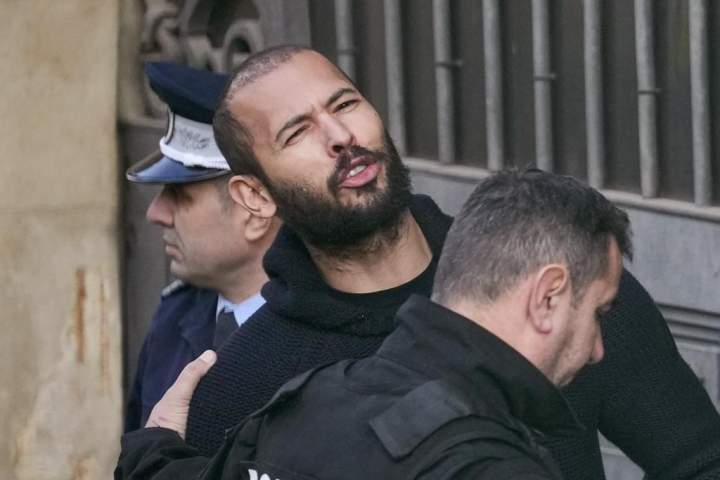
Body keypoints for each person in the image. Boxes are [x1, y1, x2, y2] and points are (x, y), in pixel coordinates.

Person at [136, 46, 720, 479]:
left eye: (345, 103)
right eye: (297, 133)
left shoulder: (553, 281)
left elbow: (699, 460)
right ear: (255, 196)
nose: (340, 135)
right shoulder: (244, 381)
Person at [116, 169, 630, 479]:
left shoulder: (309, 402)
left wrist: (152, 450)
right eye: (598, 313)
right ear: (547, 295)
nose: (598, 348)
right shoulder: (493, 468)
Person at [124, 61, 279, 431]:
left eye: (180, 195)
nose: (156, 213)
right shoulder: (177, 314)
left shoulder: (322, 335)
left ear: (254, 212)